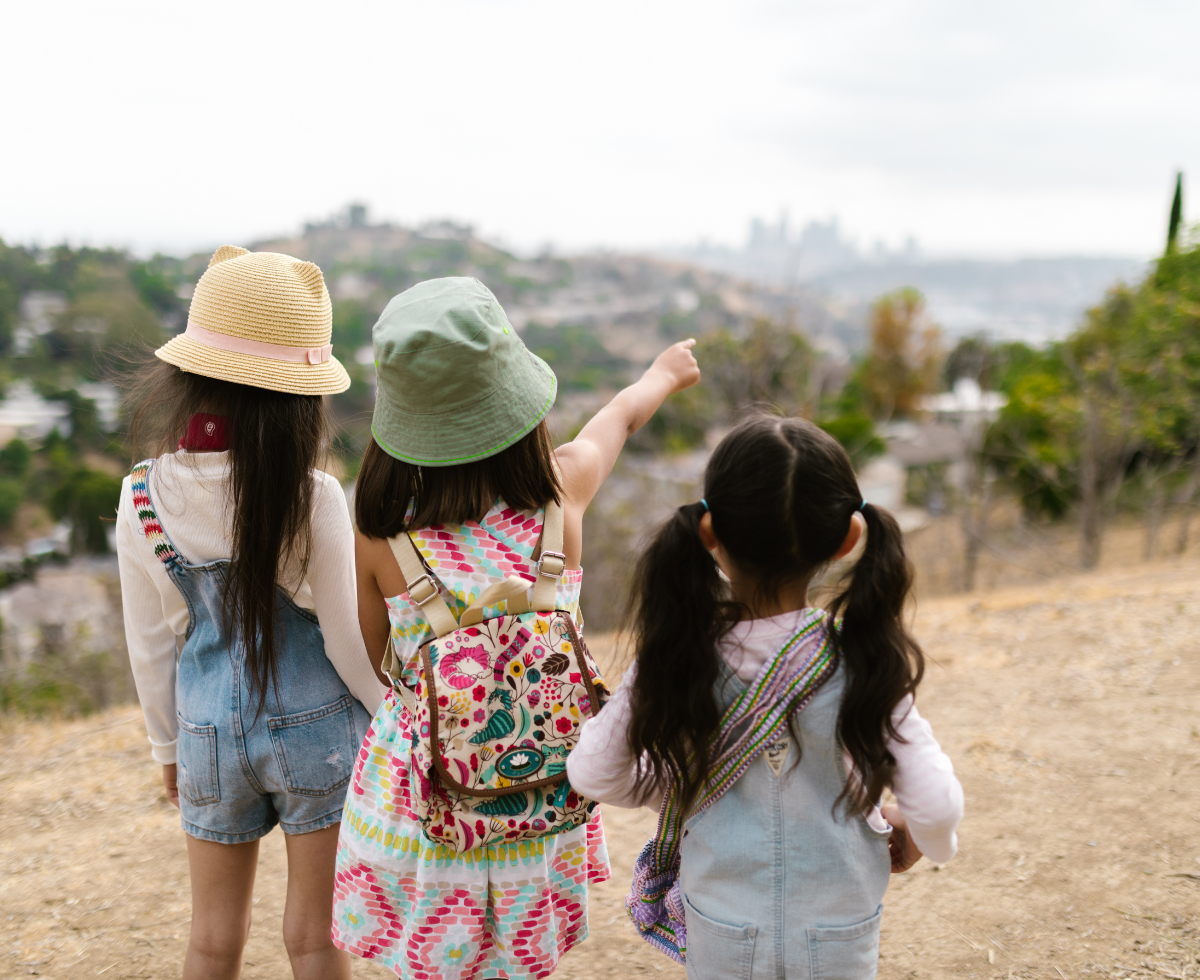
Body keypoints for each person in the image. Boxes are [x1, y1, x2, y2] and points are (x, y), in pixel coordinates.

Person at [333, 276, 700, 979]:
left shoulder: (382, 538)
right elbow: (617, 420)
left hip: (432, 800)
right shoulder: (562, 496)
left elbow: (379, 658)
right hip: (539, 794)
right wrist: (662, 373)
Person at [566, 414, 964, 980]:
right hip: (839, 931)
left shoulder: (677, 655)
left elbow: (593, 772)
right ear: (849, 538)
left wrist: (688, 785)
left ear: (708, 533)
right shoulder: (864, 658)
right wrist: (923, 838)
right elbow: (938, 805)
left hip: (722, 930)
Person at [117, 246, 387, 980]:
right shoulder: (313, 495)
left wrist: (167, 749)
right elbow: (347, 643)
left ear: (189, 375)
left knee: (211, 938)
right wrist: (393, 722)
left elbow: (151, 644)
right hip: (318, 731)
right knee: (316, 937)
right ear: (299, 399)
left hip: (204, 729)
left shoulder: (143, 494)